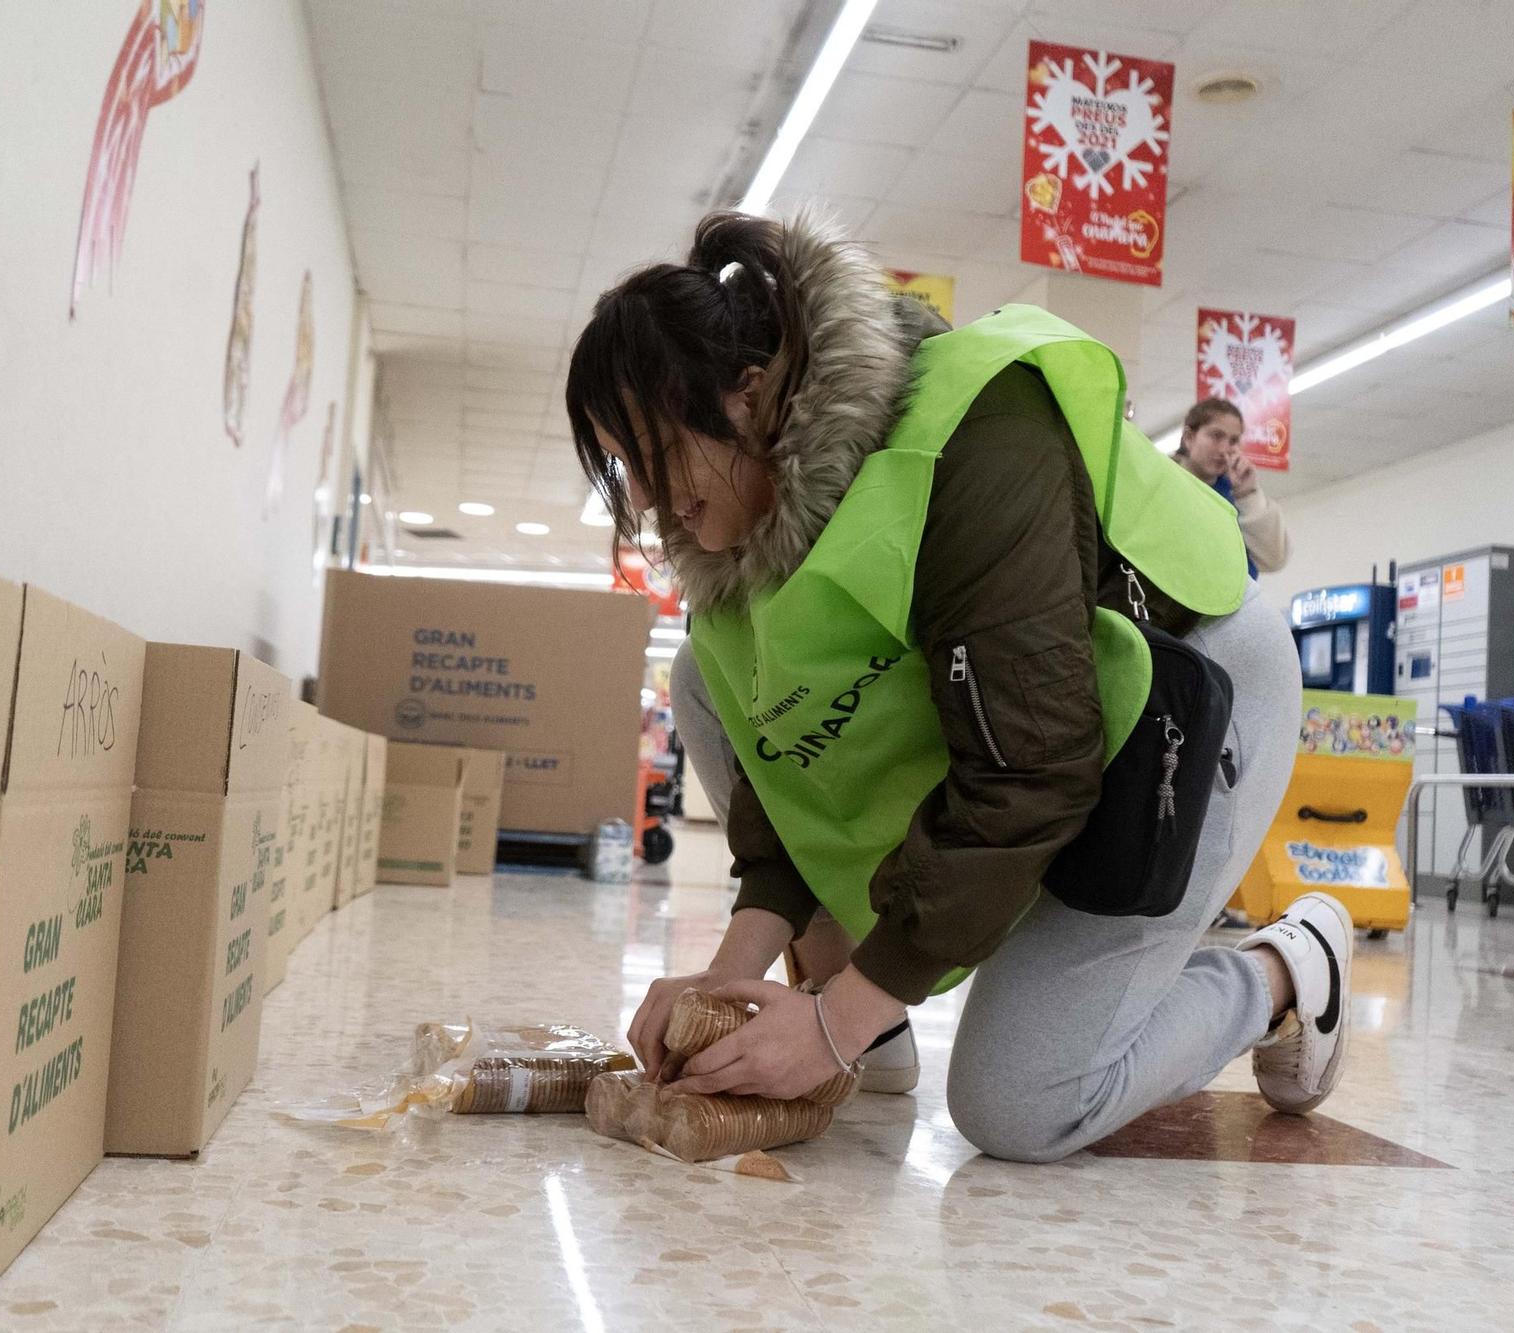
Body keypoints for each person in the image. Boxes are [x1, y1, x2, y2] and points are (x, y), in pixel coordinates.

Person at [565, 212, 1352, 1163]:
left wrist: (833, 1025)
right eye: (623, 469)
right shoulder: (735, 531)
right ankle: (859, 1007)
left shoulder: (976, 437)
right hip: (1035, 724)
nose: (643, 499)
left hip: (1180, 704)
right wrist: (725, 977)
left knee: (1017, 1106)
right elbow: (784, 750)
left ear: (747, 392)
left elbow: (1031, 770)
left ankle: (1291, 968)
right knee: (706, 673)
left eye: (650, 455)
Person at [1174, 398, 1291, 576]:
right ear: (1189, 437)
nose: (1224, 449)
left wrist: (1247, 494)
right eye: (1216, 436)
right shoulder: (1162, 482)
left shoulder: (1233, 494)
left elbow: (1273, 559)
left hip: (1235, 601)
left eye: (1233, 440)